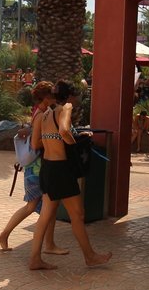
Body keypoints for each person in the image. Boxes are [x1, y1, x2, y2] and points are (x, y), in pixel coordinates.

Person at [30, 80, 113, 270]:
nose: (76, 100)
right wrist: (74, 143)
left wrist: (53, 140)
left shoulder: (45, 114)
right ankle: (90, 257)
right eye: (76, 96)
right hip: (61, 170)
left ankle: (34, 258)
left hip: (48, 167)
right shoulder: (64, 108)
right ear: (69, 96)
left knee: (45, 216)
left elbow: (36, 144)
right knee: (77, 214)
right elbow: (64, 130)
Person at [0, 83, 66, 255]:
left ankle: (47, 243)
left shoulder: (40, 112)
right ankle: (7, 235)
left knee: (43, 207)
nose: (55, 99)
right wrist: (53, 138)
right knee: (38, 206)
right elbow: (36, 143)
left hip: (36, 167)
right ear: (46, 98)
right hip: (37, 168)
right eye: (52, 96)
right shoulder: (41, 115)